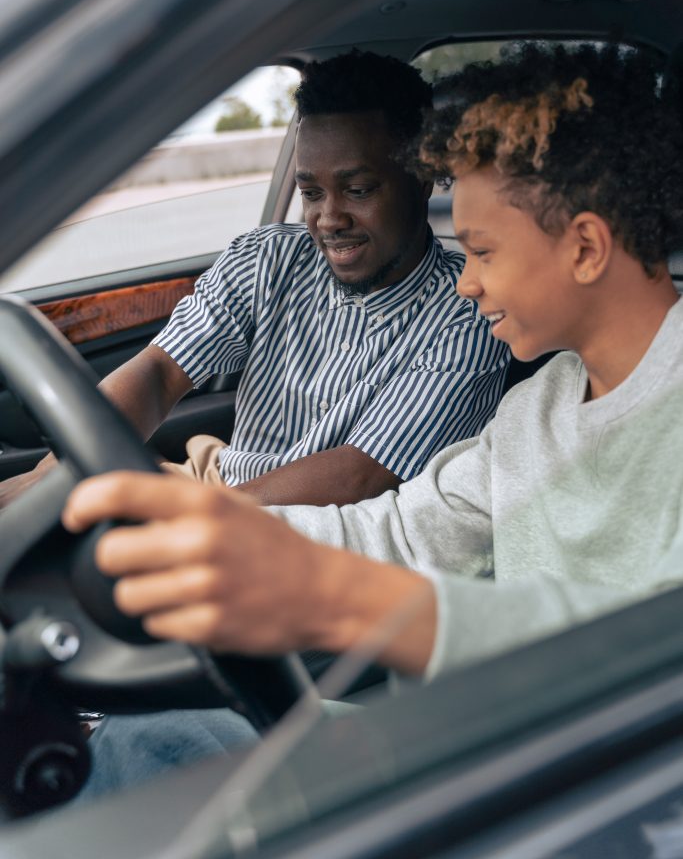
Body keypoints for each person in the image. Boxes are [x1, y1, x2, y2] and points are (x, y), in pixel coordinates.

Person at [63, 42, 683, 795]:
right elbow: (400, 529)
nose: (467, 283)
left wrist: (338, 595)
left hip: (583, 783)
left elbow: (649, 649)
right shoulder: (540, 403)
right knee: (148, 735)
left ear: (584, 247)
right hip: (470, 737)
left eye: (482, 251)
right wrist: (211, 525)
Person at [0, 51, 507, 510]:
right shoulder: (266, 258)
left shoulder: (469, 311)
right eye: (311, 194)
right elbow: (157, 374)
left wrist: (191, 518)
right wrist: (56, 476)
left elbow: (359, 477)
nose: (329, 218)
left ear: (419, 182)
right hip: (214, 485)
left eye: (357, 190)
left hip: (315, 535)